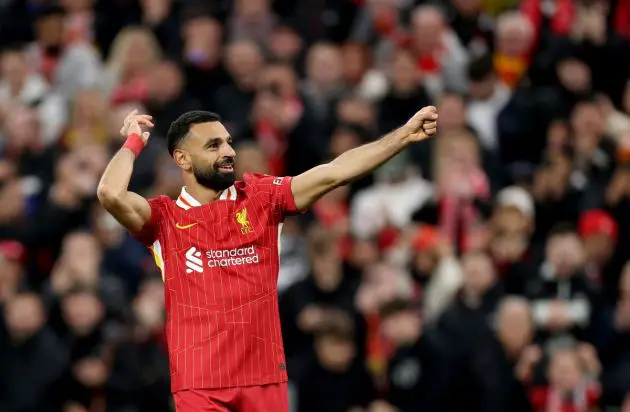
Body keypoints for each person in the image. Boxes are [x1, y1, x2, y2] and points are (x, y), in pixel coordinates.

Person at [96, 106, 438, 411]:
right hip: (200, 384)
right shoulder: (164, 219)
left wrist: (403, 136)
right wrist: (134, 142)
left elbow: (335, 172)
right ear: (182, 159)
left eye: (228, 142)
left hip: (264, 378)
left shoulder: (261, 198)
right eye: (213, 145)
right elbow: (110, 193)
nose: (229, 151)